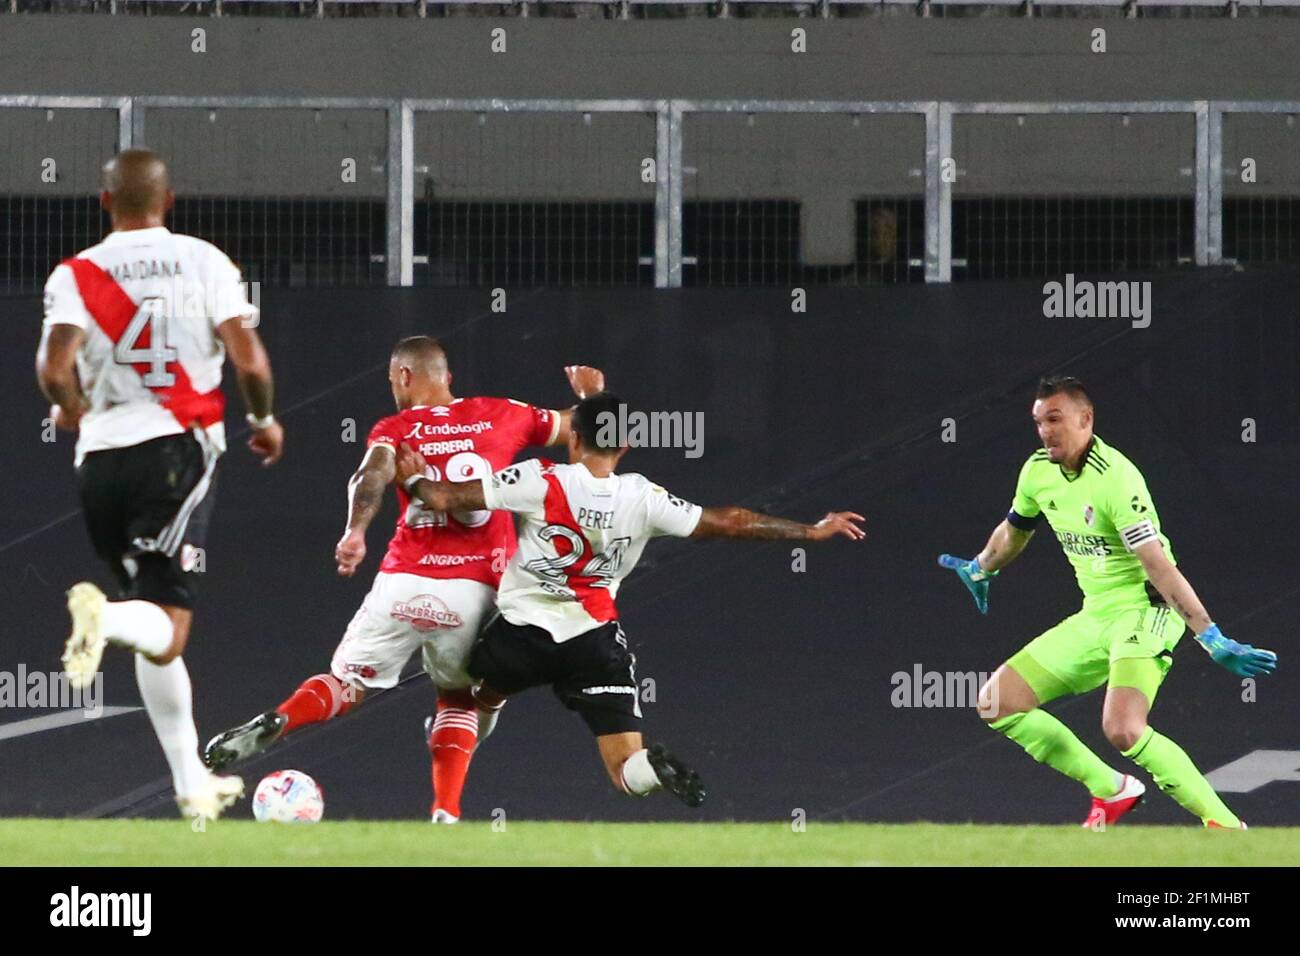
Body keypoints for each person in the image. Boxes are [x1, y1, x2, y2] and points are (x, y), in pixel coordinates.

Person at [395, 391, 866, 806]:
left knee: (475, 696)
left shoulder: (541, 479)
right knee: (624, 771)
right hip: (594, 645)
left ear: (572, 438)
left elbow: (443, 499)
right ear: (625, 446)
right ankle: (652, 770)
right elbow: (730, 522)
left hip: (521, 636)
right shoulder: (643, 497)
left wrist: (415, 479)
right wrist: (810, 530)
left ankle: (452, 771)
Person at [205, 335, 602, 824]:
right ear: (448, 377)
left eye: (392, 380)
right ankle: (445, 811)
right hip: (475, 591)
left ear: (405, 377)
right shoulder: (502, 413)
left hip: (402, 583)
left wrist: (355, 532)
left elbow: (368, 477)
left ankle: (283, 718)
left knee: (345, 683)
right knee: (459, 701)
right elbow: (582, 431)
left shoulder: (397, 427)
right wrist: (591, 394)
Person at [37, 149, 282, 821]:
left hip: (100, 463)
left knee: (156, 621)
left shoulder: (76, 273)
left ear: (103, 200)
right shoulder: (205, 261)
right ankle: (102, 620)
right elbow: (249, 357)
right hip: (177, 452)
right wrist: (262, 419)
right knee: (165, 630)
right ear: (169, 199)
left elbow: (55, 372)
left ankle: (190, 785)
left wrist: (74, 409)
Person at [938, 375, 1277, 829]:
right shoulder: (1037, 471)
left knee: (1123, 729)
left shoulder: (1117, 479)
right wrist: (982, 566)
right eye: (1039, 421)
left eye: (1055, 419)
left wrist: (1210, 637)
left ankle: (1228, 829)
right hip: (1096, 615)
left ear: (1086, 418)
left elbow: (1159, 565)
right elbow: (1015, 530)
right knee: (997, 702)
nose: (1045, 431)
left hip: (1147, 612)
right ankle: (1112, 789)